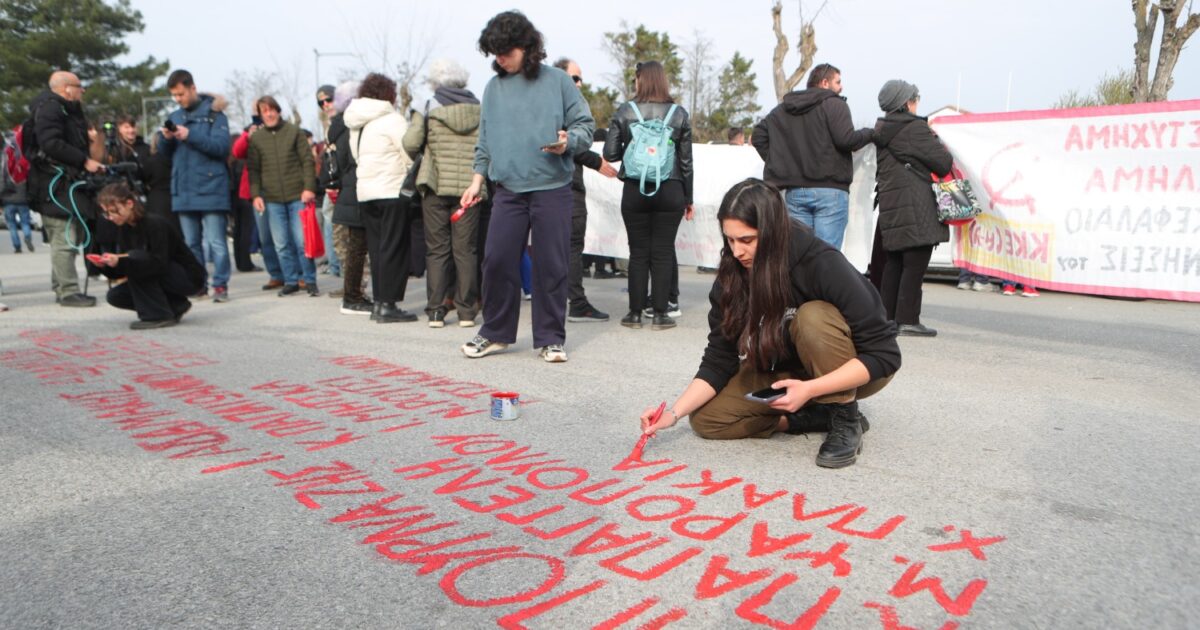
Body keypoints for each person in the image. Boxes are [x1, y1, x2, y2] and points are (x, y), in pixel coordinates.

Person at [639, 178, 900, 469]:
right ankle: (811, 417)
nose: (737, 252)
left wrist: (811, 389)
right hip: (787, 370)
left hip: (850, 365)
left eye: (747, 240)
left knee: (812, 317)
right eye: (730, 240)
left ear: (773, 231)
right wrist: (673, 414)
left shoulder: (820, 263)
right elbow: (719, 358)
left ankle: (844, 417)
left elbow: (885, 354)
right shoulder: (732, 275)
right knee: (707, 419)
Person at [459, 10, 596, 362]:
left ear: (527, 46)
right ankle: (495, 333)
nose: (500, 59)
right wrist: (476, 181)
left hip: (553, 187)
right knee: (496, 259)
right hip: (507, 189)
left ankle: (551, 338)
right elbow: (484, 140)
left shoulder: (558, 81)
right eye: (495, 53)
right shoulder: (493, 88)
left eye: (506, 52)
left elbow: (584, 125)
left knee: (551, 264)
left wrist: (568, 142)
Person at [603, 60, 694, 331]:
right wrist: (688, 198)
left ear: (640, 80)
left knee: (638, 251)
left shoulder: (625, 111)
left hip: (635, 188)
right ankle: (660, 314)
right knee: (663, 251)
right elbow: (686, 162)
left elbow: (610, 153)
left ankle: (634, 314)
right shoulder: (678, 113)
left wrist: (635, 147)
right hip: (671, 188)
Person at [752, 63, 873, 250]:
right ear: (825, 83)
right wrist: (870, 133)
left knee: (799, 255)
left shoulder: (784, 109)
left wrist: (781, 162)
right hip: (830, 191)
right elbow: (846, 140)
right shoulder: (835, 104)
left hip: (796, 192)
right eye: (838, 82)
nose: (841, 87)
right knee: (827, 256)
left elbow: (758, 136)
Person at [403, 58, 485, 328]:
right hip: (470, 189)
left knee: (437, 250)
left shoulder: (428, 107)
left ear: (435, 81)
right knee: (466, 250)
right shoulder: (480, 108)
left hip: (435, 186)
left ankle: (437, 311)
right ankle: (467, 312)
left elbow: (410, 143)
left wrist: (427, 153)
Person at [873, 80, 953, 337]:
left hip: (892, 207)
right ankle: (908, 319)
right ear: (905, 103)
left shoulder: (882, 130)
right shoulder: (915, 129)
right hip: (916, 207)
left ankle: (888, 319)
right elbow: (943, 163)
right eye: (915, 99)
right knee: (914, 264)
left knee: (894, 263)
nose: (917, 103)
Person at [346, 73, 419, 323]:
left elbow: (356, 156)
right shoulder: (393, 119)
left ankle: (379, 302)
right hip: (391, 189)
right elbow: (408, 152)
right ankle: (388, 304)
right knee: (394, 248)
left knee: (377, 249)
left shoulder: (357, 123)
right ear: (388, 94)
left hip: (366, 191)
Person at [26, 70, 103, 307]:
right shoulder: (51, 108)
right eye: (79, 86)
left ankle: (61, 287)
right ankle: (68, 291)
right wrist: (83, 160)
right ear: (67, 89)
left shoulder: (61, 110)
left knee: (67, 235)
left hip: (60, 184)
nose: (83, 91)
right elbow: (51, 143)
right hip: (54, 185)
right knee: (65, 236)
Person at [157, 70, 233, 303]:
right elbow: (165, 155)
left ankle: (220, 285)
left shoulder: (215, 115)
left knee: (216, 242)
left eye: (181, 94)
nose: (178, 99)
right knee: (191, 244)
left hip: (211, 187)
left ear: (192, 88)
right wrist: (165, 139)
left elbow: (221, 148)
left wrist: (190, 135)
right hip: (184, 188)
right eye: (174, 95)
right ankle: (198, 284)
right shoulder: (175, 116)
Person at [553, 57, 618, 324]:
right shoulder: (562, 106)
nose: (579, 84)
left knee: (555, 247)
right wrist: (596, 161)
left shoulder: (552, 104)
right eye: (575, 78)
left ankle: (554, 300)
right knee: (571, 246)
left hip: (553, 185)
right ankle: (577, 304)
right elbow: (567, 144)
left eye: (580, 78)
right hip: (566, 185)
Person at [93, 182, 206, 329]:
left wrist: (125, 260)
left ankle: (158, 315)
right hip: (160, 272)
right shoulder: (124, 228)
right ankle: (175, 305)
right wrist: (107, 265)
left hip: (186, 276)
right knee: (115, 296)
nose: (111, 217)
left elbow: (158, 263)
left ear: (129, 204)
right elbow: (124, 267)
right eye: (106, 213)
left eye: (114, 211)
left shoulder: (154, 223)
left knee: (137, 261)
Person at [248, 95, 319, 297]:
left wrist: (309, 188)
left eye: (272, 110)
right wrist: (256, 195)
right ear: (260, 115)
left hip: (297, 195)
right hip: (271, 199)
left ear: (278, 111)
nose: (269, 114)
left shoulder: (294, 131)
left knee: (302, 242)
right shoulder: (256, 139)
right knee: (281, 244)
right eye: (264, 111)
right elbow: (253, 169)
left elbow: (307, 161)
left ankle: (310, 280)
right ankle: (290, 281)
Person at [323, 80, 372, 315]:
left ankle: (352, 293)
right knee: (357, 247)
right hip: (357, 189)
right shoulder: (353, 126)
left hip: (345, 190)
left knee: (352, 246)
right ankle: (353, 296)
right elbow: (353, 159)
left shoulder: (336, 127)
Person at [315, 85, 341, 280]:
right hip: (331, 183)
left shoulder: (345, 120)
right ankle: (335, 266)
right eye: (321, 102)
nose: (325, 104)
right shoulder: (328, 124)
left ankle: (340, 268)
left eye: (328, 99)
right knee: (329, 221)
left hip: (344, 182)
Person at [2, 128, 34, 254]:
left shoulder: (5, 161)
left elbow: (2, 181)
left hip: (8, 200)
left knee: (12, 225)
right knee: (25, 222)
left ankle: (17, 247)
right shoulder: (23, 161)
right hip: (23, 199)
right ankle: (27, 236)